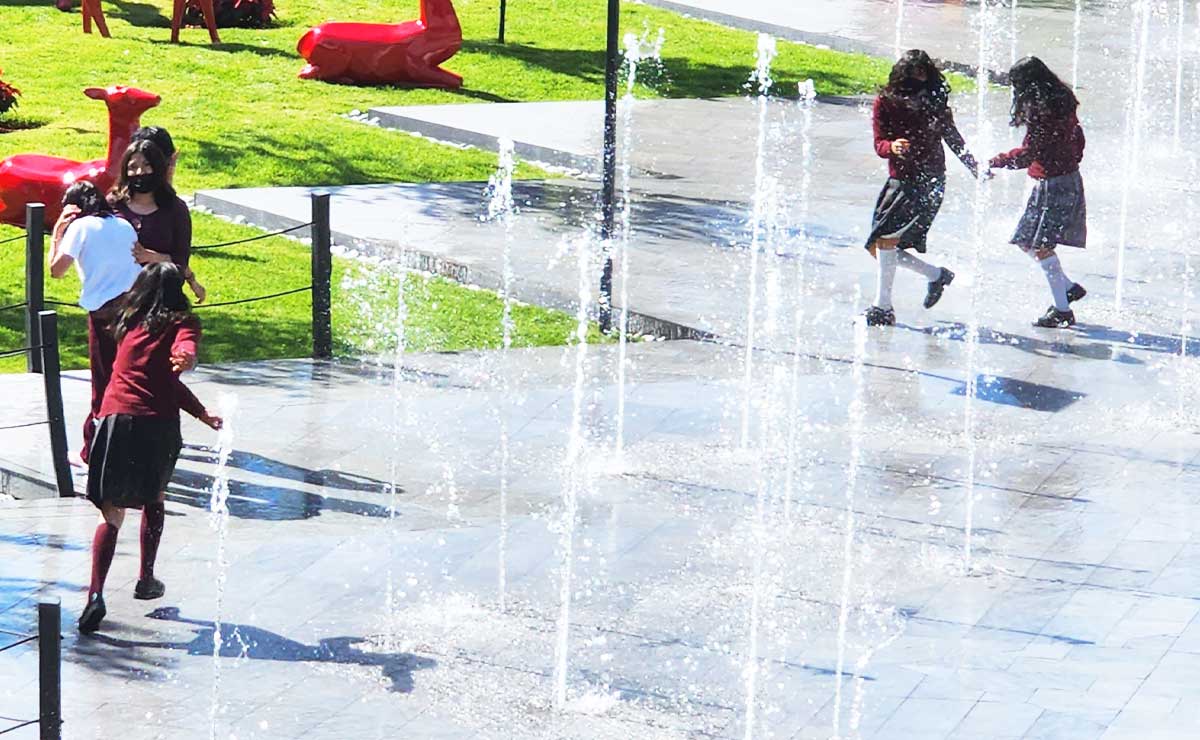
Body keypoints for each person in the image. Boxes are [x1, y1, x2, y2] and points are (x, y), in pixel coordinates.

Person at [79, 262, 222, 635]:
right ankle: (145, 578)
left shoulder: (129, 324)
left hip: (115, 418)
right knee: (155, 495)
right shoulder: (182, 321)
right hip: (156, 423)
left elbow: (158, 374)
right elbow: (183, 352)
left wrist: (201, 412)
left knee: (110, 511)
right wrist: (187, 358)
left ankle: (95, 594)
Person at [865, 49, 984, 327]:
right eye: (913, 74)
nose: (918, 80)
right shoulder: (885, 102)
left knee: (885, 242)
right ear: (902, 74)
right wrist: (892, 146)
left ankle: (882, 307)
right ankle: (936, 275)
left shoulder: (933, 101)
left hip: (928, 180)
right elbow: (879, 142)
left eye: (923, 73)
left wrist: (973, 165)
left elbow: (952, 136)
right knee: (878, 246)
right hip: (899, 180)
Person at [47, 181, 143, 464]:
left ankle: (94, 450)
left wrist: (57, 234)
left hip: (104, 313)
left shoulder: (80, 227)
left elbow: (56, 270)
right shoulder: (124, 224)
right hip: (135, 307)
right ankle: (128, 444)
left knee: (103, 381)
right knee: (127, 376)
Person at [989, 56, 1087, 328]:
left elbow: (1030, 152)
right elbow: (1077, 136)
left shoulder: (1041, 109)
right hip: (1068, 178)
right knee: (1027, 241)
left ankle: (1062, 311)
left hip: (1049, 184)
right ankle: (1066, 288)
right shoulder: (1063, 98)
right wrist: (1072, 159)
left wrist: (997, 161)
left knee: (1039, 246)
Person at [109, 139, 207, 303]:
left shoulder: (176, 209)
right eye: (132, 167)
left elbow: (181, 262)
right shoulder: (113, 204)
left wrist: (154, 257)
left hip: (160, 297)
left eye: (147, 165)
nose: (140, 172)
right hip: (116, 296)